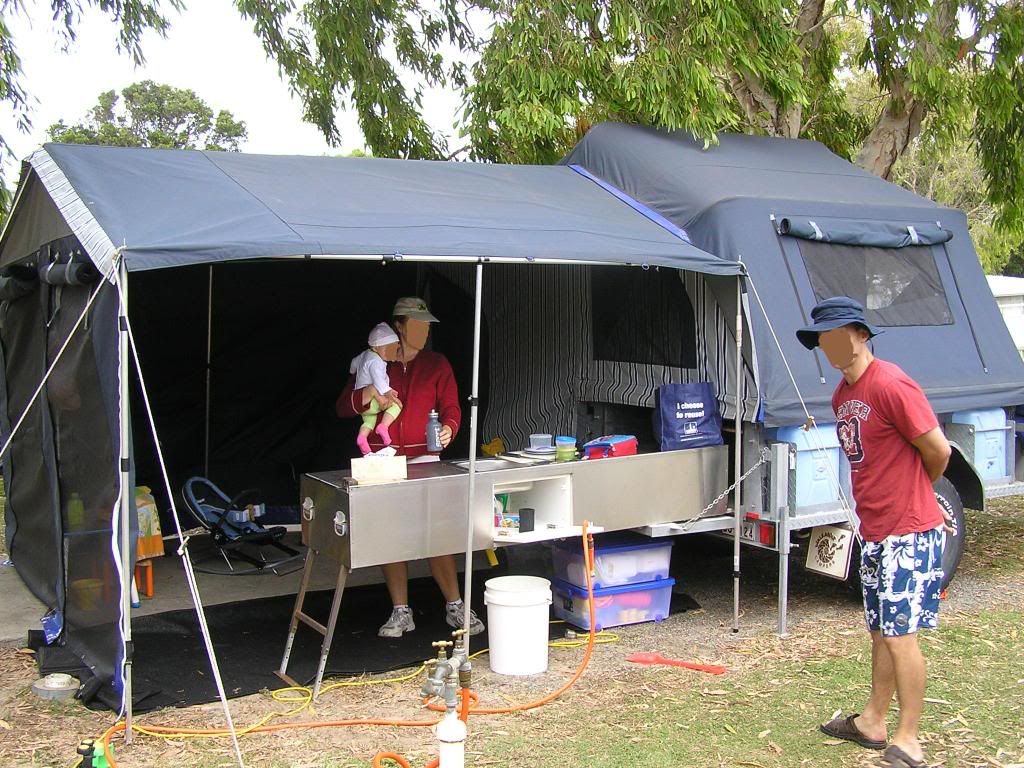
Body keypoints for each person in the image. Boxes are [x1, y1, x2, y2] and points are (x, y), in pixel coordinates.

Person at [796, 296, 951, 768]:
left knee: (902, 635)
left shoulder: (892, 384)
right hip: (876, 529)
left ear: (861, 335)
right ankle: (872, 722)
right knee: (881, 631)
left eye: (840, 335)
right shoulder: (843, 395)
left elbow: (938, 450)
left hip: (910, 529)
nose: (832, 347)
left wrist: (914, 490)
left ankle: (909, 740)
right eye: (824, 340)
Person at [337, 296, 485, 638]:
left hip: (425, 458)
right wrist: (369, 392)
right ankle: (400, 610)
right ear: (398, 326)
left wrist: (450, 427)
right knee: (391, 536)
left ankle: (455, 605)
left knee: (439, 534)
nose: (423, 331)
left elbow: (452, 406)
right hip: (382, 459)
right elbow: (344, 407)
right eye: (417, 325)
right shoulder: (373, 361)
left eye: (427, 326)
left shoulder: (436, 363)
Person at [349, 322, 402, 455]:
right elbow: (378, 379)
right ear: (375, 347)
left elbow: (353, 363)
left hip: (364, 403)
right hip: (374, 400)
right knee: (396, 405)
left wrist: (352, 371)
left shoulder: (365, 354)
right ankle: (383, 426)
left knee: (369, 420)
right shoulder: (376, 362)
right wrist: (388, 392)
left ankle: (362, 438)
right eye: (386, 349)